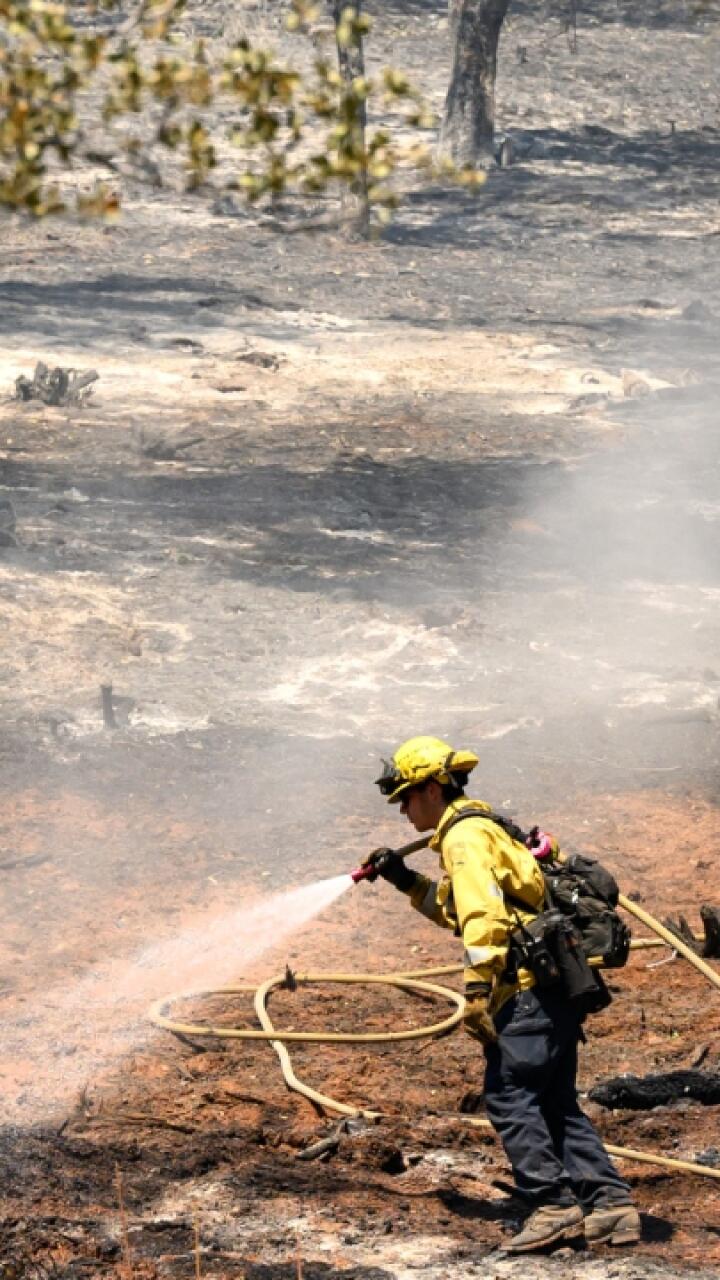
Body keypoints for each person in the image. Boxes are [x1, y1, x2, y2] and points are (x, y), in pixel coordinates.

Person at [367, 735, 641, 1254]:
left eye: (406, 796)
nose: (402, 809)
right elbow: (461, 910)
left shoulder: (464, 838)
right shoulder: (485, 830)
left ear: (430, 788)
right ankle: (610, 1207)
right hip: (554, 990)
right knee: (555, 1101)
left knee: (511, 1096)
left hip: (525, 993)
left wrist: (475, 989)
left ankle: (553, 1207)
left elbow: (481, 917)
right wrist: (405, 880)